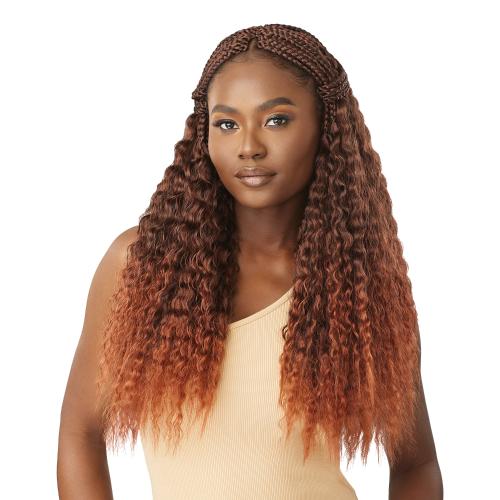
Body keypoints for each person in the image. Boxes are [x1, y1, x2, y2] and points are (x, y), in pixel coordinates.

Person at [57, 23, 443, 499]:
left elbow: (416, 465)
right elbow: (81, 435)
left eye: (276, 120)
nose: (249, 146)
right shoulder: (142, 267)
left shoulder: (360, 287)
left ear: (326, 127)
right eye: (227, 124)